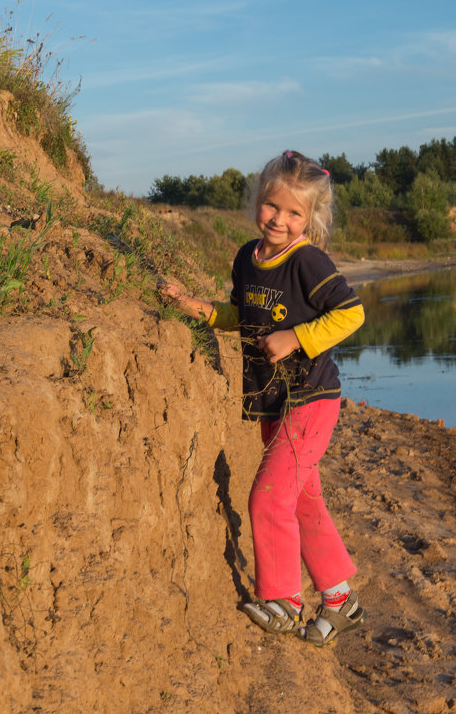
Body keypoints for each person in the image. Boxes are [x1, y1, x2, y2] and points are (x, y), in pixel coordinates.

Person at [158, 150, 366, 647]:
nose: (280, 219)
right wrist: (196, 307)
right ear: (258, 202)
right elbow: (241, 317)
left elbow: (351, 314)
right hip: (274, 401)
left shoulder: (308, 260)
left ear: (310, 219)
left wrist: (296, 338)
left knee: (268, 497)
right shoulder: (246, 258)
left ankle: (284, 601)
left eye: (295, 213)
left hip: (312, 399)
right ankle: (339, 600)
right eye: (273, 206)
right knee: (302, 501)